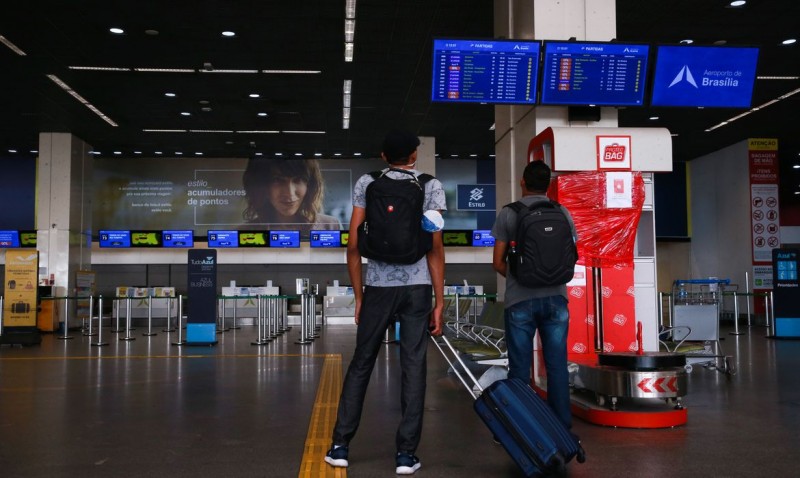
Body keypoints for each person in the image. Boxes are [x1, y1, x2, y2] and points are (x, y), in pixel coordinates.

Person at [324, 129, 446, 475]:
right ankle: (406, 454)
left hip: (377, 286)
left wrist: (360, 297)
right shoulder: (430, 186)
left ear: (383, 156)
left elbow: (353, 245)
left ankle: (340, 446)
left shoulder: (367, 183)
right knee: (413, 366)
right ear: (414, 156)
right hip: (417, 288)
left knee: (361, 363)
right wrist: (439, 300)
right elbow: (435, 248)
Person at [490, 160, 577, 431]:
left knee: (519, 368)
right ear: (549, 185)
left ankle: (523, 427)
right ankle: (562, 426)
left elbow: (497, 261)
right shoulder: (562, 212)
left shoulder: (509, 213)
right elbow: (570, 255)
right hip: (557, 300)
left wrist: (520, 279)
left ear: (522, 183)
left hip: (519, 302)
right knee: (556, 366)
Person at [241, 158, 340, 235]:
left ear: (309, 185)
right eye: (278, 180)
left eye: (298, 179)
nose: (290, 193)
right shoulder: (244, 231)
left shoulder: (330, 225)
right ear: (262, 186)